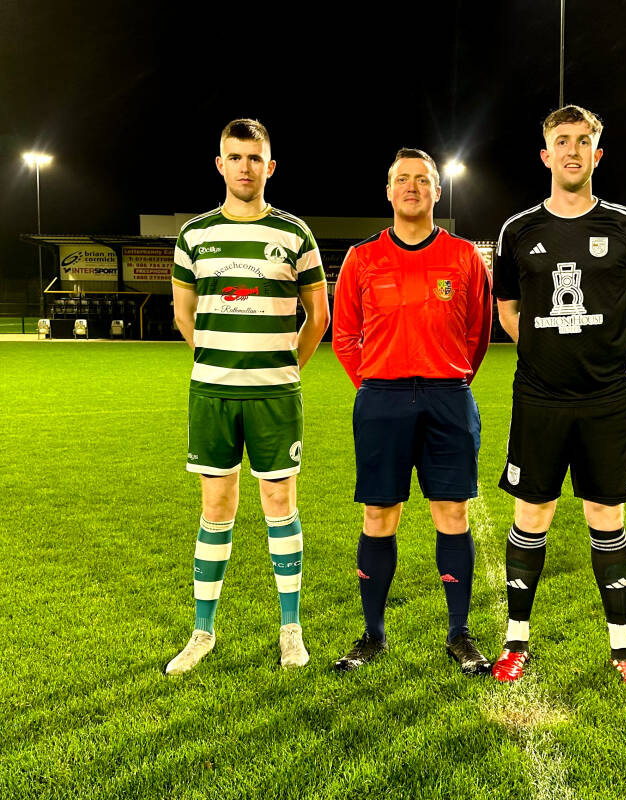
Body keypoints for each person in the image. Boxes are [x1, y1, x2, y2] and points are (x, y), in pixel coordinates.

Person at [491, 105, 626, 690]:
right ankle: (515, 643)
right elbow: (508, 310)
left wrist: (606, 351)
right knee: (531, 514)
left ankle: (623, 648)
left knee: (605, 516)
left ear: (596, 154)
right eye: (562, 141)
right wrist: (543, 346)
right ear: (545, 154)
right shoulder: (518, 231)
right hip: (539, 397)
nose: (572, 150)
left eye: (583, 141)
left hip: (607, 398)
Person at [166, 118, 330, 674]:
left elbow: (319, 316)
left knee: (279, 506)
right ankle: (202, 632)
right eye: (235, 157)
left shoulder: (294, 234)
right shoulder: (194, 235)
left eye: (254, 158)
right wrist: (220, 356)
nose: (245, 166)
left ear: (270, 166)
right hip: (212, 394)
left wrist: (284, 367)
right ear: (220, 164)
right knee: (216, 509)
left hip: (275, 397)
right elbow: (183, 315)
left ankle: (291, 630)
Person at [332, 148, 493, 674]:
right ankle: (372, 635)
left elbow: (478, 332)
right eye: (402, 179)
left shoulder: (465, 256)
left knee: (452, 513)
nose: (412, 187)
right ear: (388, 190)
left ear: (437, 191)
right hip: (381, 399)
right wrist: (376, 382)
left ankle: (459, 634)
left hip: (448, 396)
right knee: (379, 514)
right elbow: (345, 335)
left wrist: (449, 378)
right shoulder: (361, 258)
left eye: (422, 180)